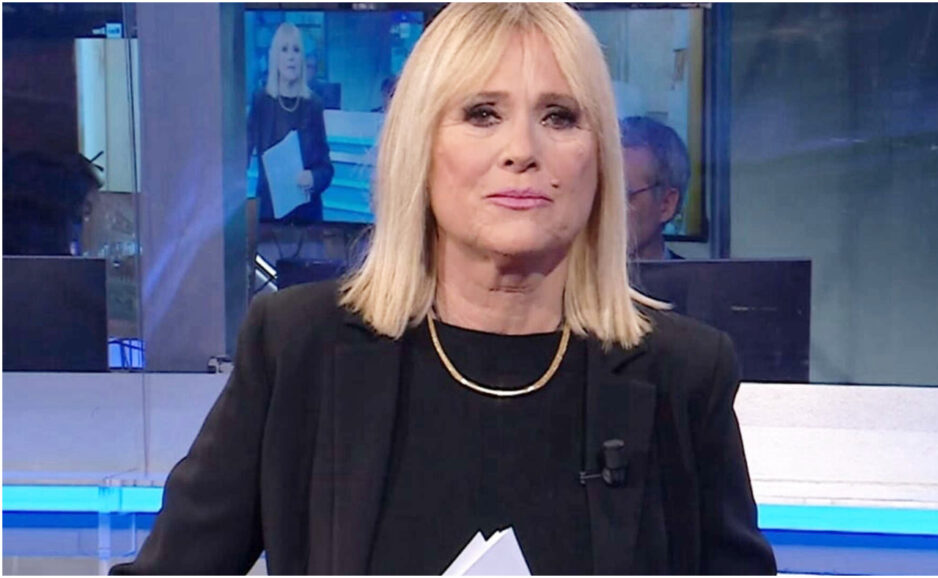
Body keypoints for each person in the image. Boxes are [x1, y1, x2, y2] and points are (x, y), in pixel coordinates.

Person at [111, 4, 775, 575]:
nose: (522, 149)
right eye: (482, 113)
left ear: (598, 157)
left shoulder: (685, 374)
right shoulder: (297, 347)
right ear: (420, 149)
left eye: (559, 116)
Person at [246, 22, 334, 224]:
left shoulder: (313, 105)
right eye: (284, 50)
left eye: (296, 50)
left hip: (307, 219)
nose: (291, 57)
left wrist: (313, 178)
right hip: (270, 219)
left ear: (302, 59)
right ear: (275, 58)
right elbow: (240, 154)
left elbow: (326, 168)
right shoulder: (261, 101)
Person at [621, 115, 690, 260]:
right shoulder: (572, 273)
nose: (603, 208)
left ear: (666, 204)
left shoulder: (697, 275)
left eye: (622, 195)